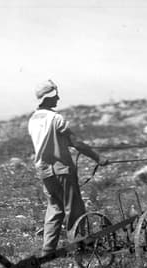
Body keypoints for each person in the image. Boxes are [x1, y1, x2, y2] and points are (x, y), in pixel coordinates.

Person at [28, 79, 108, 257]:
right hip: (62, 169)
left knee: (54, 208)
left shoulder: (33, 120)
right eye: (55, 95)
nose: (58, 98)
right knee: (74, 208)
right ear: (48, 98)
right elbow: (76, 142)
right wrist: (98, 157)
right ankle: (79, 246)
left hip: (44, 171)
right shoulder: (55, 118)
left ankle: (47, 250)